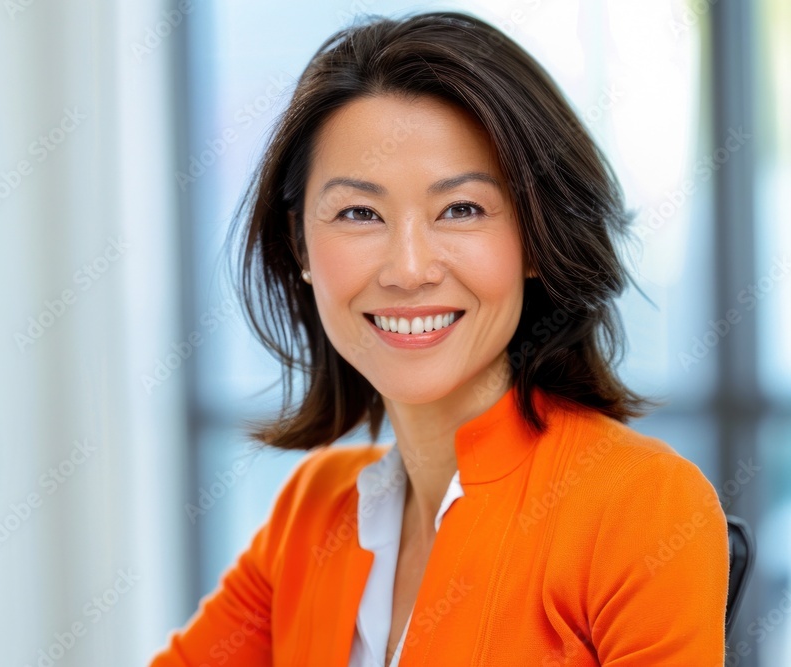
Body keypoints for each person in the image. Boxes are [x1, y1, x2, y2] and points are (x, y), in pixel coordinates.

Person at [150, 10, 729, 666]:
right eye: (359, 213)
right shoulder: (310, 514)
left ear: (535, 240)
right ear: (300, 246)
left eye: (461, 209)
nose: (408, 269)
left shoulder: (640, 508)